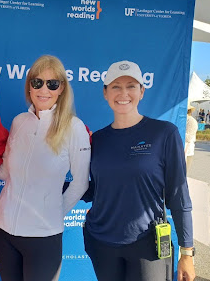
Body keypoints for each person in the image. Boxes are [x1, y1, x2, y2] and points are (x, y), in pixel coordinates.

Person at [83, 60, 196, 281]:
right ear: (105, 93)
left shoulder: (164, 134)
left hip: (148, 245)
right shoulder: (98, 139)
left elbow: (178, 195)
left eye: (131, 86)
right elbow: (95, 189)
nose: (123, 93)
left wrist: (187, 252)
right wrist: (48, 184)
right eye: (115, 86)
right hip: (102, 243)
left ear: (142, 91)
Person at [0, 55, 91, 281]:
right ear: (29, 86)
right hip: (2, 230)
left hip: (43, 237)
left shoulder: (73, 128)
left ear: (61, 88)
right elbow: (6, 171)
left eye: (52, 83)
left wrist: (52, 213)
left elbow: (81, 183)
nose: (43, 89)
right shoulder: (19, 122)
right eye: (37, 82)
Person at [185, 105, 198, 171]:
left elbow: (188, 138)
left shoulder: (191, 121)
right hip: (176, 151)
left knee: (182, 176)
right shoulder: (179, 119)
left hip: (186, 151)